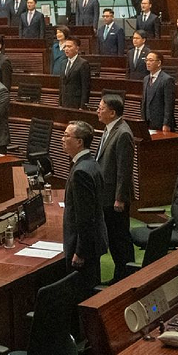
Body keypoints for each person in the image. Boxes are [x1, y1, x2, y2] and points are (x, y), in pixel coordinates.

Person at [61, 121, 109, 292]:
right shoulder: (91, 163)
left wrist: (80, 252)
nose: (62, 139)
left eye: (67, 135)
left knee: (82, 293)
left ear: (79, 141)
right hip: (92, 241)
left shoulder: (81, 172)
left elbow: (85, 217)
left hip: (83, 246)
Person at [95, 94, 135, 282]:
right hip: (106, 193)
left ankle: (126, 277)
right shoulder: (110, 129)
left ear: (112, 112)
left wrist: (119, 198)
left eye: (101, 108)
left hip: (114, 197)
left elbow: (124, 170)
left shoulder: (123, 133)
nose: (98, 110)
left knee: (119, 238)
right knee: (113, 236)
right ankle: (121, 275)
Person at [57, 39, 90, 108]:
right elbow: (61, 84)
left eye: (69, 46)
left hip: (76, 103)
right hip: (64, 102)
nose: (66, 49)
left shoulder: (83, 63)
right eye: (65, 46)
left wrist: (82, 106)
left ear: (77, 48)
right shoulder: (63, 63)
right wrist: (60, 103)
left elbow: (85, 87)